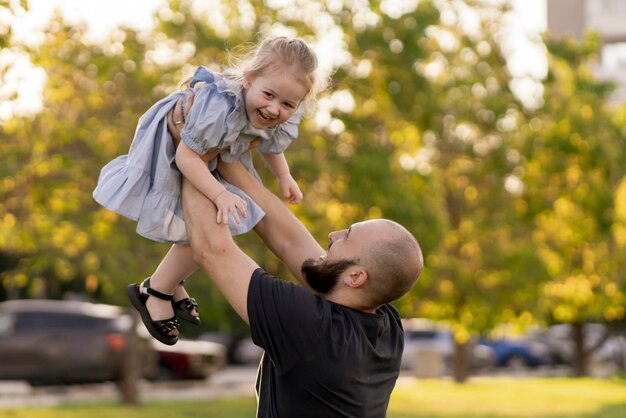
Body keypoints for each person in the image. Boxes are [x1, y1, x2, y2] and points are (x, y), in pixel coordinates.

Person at [161, 98, 424, 417]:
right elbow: (288, 239)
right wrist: (230, 161)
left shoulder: (313, 329)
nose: (333, 235)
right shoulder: (384, 326)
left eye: (347, 236)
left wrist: (191, 145)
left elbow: (212, 248)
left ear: (356, 278)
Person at [92, 36, 325, 345]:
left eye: (287, 104)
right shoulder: (219, 107)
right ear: (249, 79)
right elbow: (186, 157)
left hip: (212, 154)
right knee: (216, 220)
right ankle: (156, 290)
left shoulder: (271, 110)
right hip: (177, 148)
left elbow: (268, 143)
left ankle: (168, 284)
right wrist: (219, 194)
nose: (273, 109)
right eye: (268, 95)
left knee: (211, 225)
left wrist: (284, 176)